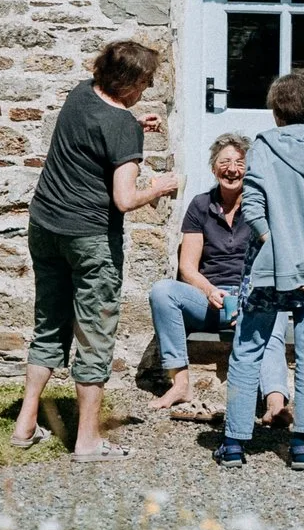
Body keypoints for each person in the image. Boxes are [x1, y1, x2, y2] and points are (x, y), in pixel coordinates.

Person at [13, 39, 180, 457]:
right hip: (90, 239)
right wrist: (159, 186)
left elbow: (96, 133)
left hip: (45, 227)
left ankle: (25, 424)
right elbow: (124, 199)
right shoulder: (121, 126)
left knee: (49, 323)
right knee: (94, 334)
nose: (146, 89)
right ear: (130, 82)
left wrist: (132, 126)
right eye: (144, 83)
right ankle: (87, 440)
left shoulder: (81, 94)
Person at [217, 68, 304, 472]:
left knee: (248, 348)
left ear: (277, 110)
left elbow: (253, 205)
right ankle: (301, 444)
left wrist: (272, 241)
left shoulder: (264, 145)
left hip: (271, 266)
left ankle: (234, 444)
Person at [145, 134, 289, 421]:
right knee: (162, 291)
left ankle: (276, 402)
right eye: (225, 162)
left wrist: (247, 298)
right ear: (214, 168)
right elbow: (187, 267)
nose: (232, 169)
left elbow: (276, 260)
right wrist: (209, 290)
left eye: (240, 163)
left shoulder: (264, 207)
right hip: (210, 298)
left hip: (253, 295)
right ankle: (180, 384)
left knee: (273, 315)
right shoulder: (201, 205)